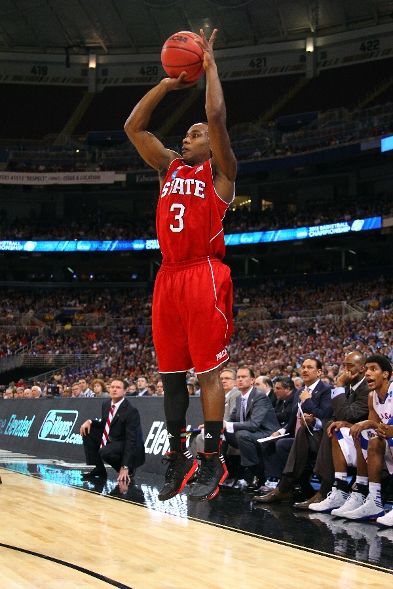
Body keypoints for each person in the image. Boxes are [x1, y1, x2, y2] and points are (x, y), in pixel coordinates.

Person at [124, 28, 236, 502]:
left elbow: (214, 113)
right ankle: (177, 456)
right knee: (171, 375)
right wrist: (168, 85)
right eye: (186, 133)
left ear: (211, 143)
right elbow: (134, 127)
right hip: (168, 276)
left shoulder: (221, 172)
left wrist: (208, 66)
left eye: (194, 134)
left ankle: (213, 456)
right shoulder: (170, 168)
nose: (186, 137)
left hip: (204, 272)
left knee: (207, 372)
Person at [312, 354, 392, 522]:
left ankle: (369, 496)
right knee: (345, 432)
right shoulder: (372, 396)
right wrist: (348, 425)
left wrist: (381, 428)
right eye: (367, 369)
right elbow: (373, 425)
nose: (368, 373)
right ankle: (358, 494)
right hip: (386, 443)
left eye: (373, 369)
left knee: (374, 439)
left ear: (386, 374)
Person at [253, 357, 332, 504]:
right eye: (303, 367)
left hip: (317, 437)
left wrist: (308, 401)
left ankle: (283, 488)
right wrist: (281, 431)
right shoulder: (300, 391)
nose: (305, 370)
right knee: (277, 443)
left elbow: (326, 417)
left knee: (284, 445)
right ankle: (296, 486)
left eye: (309, 367)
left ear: (319, 372)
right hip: (298, 436)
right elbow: (293, 418)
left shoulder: (326, 390)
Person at [306, 351, 369, 511]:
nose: (346, 370)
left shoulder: (366, 387)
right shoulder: (349, 386)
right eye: (344, 365)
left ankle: (328, 490)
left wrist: (339, 386)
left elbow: (348, 414)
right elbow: (337, 415)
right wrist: (337, 421)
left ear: (362, 368)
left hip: (363, 434)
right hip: (350, 433)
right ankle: (294, 485)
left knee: (332, 430)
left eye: (350, 366)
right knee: (328, 427)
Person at [79, 378, 145, 482]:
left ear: (124, 391)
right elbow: (105, 425)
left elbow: (131, 440)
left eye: (118, 387)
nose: (114, 389)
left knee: (105, 451)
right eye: (112, 387)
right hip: (113, 439)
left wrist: (125, 466)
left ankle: (128, 470)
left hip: (125, 443)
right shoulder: (106, 404)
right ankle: (98, 469)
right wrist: (90, 422)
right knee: (88, 431)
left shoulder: (131, 411)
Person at [224, 367, 280, 489]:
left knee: (242, 435)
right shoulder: (240, 398)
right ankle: (228, 473)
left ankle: (254, 473)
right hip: (250, 433)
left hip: (267, 433)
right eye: (238, 377)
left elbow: (254, 424)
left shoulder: (260, 396)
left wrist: (227, 425)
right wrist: (216, 426)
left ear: (252, 380)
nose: (240, 379)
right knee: (225, 433)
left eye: (244, 377)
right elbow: (231, 419)